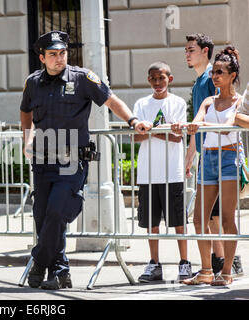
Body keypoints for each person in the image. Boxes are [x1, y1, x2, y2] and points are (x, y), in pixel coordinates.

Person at [20, 31, 153, 290]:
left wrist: (134, 121)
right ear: (42, 58)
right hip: (42, 160)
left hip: (71, 161)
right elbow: (25, 111)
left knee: (57, 212)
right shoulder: (33, 82)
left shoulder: (82, 79)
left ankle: (38, 261)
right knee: (43, 216)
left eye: (62, 53)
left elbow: (111, 100)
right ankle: (60, 273)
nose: (59, 59)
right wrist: (27, 139)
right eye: (53, 55)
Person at [173, 46, 243, 286]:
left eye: (220, 72)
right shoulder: (208, 100)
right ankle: (205, 270)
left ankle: (226, 271)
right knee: (199, 219)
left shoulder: (239, 102)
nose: (215, 76)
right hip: (209, 159)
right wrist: (190, 125)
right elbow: (197, 119)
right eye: (214, 72)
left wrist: (229, 120)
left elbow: (236, 123)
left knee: (226, 219)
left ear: (232, 75)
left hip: (229, 158)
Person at [133, 62, 191, 282]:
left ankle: (184, 262)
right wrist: (161, 130)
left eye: (162, 78)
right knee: (151, 222)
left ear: (170, 79)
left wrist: (152, 129)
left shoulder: (176, 103)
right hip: (148, 173)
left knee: (178, 220)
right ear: (149, 80)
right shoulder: (141, 104)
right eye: (153, 79)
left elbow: (177, 136)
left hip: (172, 172)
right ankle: (154, 264)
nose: (158, 83)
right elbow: (136, 136)